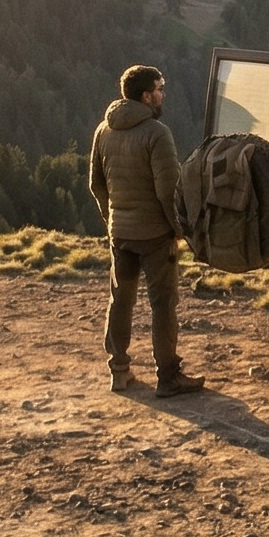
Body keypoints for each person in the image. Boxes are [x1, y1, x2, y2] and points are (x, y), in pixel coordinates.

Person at [89, 64, 205, 396]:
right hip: (154, 236)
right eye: (160, 87)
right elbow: (168, 191)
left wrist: (112, 220)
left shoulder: (103, 131)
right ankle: (168, 377)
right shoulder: (156, 133)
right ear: (146, 95)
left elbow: (96, 185)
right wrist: (181, 231)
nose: (163, 93)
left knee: (120, 301)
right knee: (163, 305)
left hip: (121, 233)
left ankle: (119, 371)